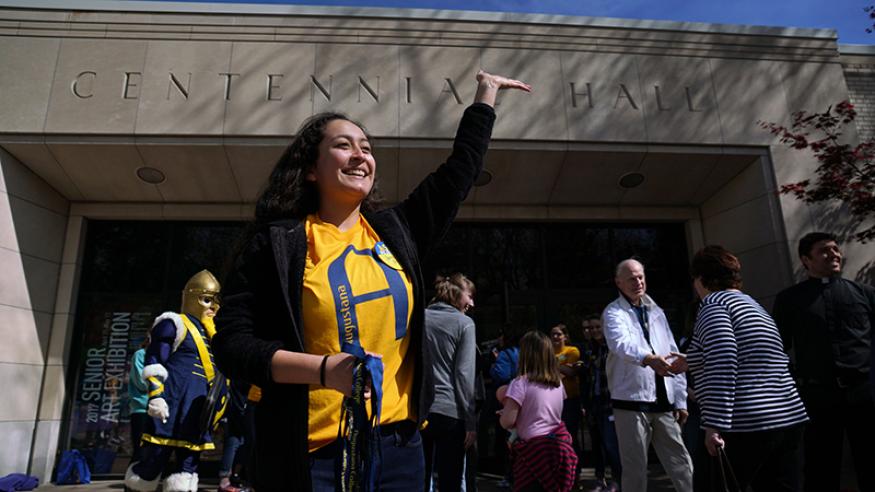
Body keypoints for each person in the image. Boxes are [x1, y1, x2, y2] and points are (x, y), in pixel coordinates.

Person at [211, 71, 531, 491]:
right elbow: (232, 346)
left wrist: (485, 96)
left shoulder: (395, 231)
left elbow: (459, 173)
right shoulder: (277, 244)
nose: (360, 155)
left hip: (399, 447)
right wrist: (324, 370)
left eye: (366, 147)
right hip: (312, 456)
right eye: (343, 145)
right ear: (311, 168)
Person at [686, 245, 808, 491]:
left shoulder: (713, 305)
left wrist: (714, 423)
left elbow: (723, 358)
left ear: (701, 279)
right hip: (787, 415)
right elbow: (751, 355)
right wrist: (688, 360)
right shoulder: (753, 306)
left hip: (744, 422)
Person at [773, 232, 875, 492]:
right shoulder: (789, 300)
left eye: (835, 249)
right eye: (824, 251)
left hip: (863, 393)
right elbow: (778, 348)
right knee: (821, 465)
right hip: (818, 395)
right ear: (806, 260)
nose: (834, 255)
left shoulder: (864, 293)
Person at [125, 270, 227, 492]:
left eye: (216, 302)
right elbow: (154, 360)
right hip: (169, 407)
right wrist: (156, 396)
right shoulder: (174, 322)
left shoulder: (213, 334)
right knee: (151, 466)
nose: (212, 307)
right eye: (207, 300)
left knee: (186, 471)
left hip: (196, 413)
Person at [602, 259, 693, 492]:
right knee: (635, 470)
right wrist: (648, 358)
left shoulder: (656, 311)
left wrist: (680, 400)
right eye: (631, 278)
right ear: (618, 282)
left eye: (641, 276)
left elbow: (673, 355)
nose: (638, 282)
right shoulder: (613, 312)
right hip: (631, 402)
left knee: (681, 463)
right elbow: (620, 344)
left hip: (663, 401)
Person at [497, 331, 578, 492]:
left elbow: (507, 421)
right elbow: (546, 413)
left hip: (535, 455)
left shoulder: (520, 383)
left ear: (525, 355)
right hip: (559, 450)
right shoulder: (558, 383)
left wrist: (506, 413)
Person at [422, 273, 478, 492]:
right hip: (450, 412)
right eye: (470, 296)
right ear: (456, 293)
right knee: (451, 481)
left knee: (420, 478)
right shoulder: (464, 324)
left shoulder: (419, 318)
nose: (472, 303)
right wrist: (471, 421)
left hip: (419, 409)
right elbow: (464, 375)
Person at [579, 315, 621, 492]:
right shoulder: (590, 349)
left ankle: (617, 480)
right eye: (592, 328)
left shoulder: (611, 347)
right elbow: (587, 379)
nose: (595, 330)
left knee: (611, 444)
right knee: (596, 443)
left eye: (598, 327)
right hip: (593, 401)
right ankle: (599, 479)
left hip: (608, 402)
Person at [549, 324, 582, 480]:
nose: (555, 337)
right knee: (554, 439)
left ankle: (575, 474)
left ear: (565, 337)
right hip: (551, 402)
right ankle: (560, 473)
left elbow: (572, 372)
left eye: (558, 334)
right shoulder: (546, 352)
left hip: (570, 400)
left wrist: (552, 365)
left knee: (571, 437)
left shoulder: (572, 351)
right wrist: (562, 367)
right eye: (553, 334)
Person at [128, 337, 150, 465]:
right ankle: (133, 483)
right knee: (140, 450)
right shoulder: (141, 354)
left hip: (160, 409)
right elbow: (141, 382)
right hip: (142, 408)